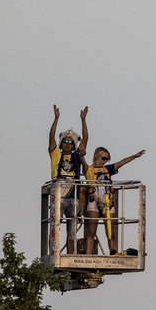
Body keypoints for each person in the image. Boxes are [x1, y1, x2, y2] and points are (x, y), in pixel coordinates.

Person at [84, 146, 145, 255]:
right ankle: (88, 255)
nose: (105, 161)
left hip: (107, 202)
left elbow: (121, 163)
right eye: (103, 158)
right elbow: (82, 161)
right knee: (91, 231)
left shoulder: (107, 169)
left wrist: (135, 156)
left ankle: (114, 253)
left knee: (110, 231)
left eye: (107, 159)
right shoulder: (89, 169)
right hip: (94, 200)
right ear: (96, 156)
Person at [48, 105, 89, 254]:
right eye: (65, 141)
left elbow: (85, 139)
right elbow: (51, 137)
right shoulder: (56, 155)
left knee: (72, 230)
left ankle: (70, 254)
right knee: (55, 226)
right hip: (58, 195)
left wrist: (83, 120)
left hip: (73, 196)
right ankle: (55, 252)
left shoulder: (77, 155)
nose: (67, 144)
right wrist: (56, 118)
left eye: (71, 142)